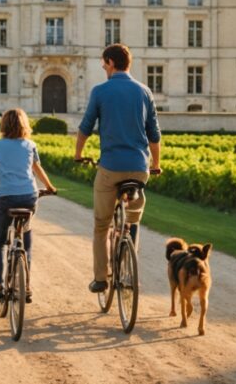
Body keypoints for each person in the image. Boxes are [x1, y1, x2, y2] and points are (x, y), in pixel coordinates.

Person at [75, 43, 161, 294]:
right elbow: (154, 134)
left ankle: (101, 278)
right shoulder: (145, 92)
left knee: (101, 226)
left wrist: (78, 155)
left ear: (111, 63)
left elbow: (85, 127)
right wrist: (156, 165)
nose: (103, 67)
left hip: (110, 168)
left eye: (104, 63)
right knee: (132, 222)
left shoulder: (101, 91)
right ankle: (128, 267)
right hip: (138, 169)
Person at [0, 108, 58, 304]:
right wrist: (50, 187)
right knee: (26, 239)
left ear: (4, 125)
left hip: (7, 198)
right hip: (29, 197)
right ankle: (26, 286)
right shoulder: (30, 144)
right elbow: (37, 168)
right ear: (25, 125)